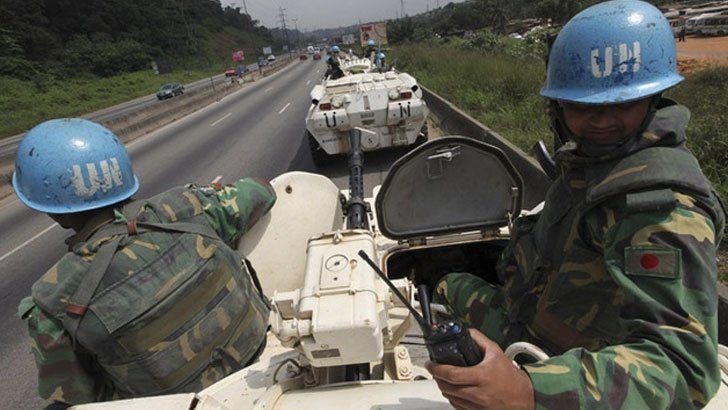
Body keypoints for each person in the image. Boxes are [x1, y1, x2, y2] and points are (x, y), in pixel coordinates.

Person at [427, 1, 726, 409]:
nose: (602, 121)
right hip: (530, 324)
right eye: (584, 106)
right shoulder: (594, 164)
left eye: (622, 104)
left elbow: (682, 367)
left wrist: (529, 391)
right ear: (558, 109)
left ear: (653, 99)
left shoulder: (658, 207)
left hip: (569, 371)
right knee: (445, 281)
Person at [13, 118, 276, 409]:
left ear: (53, 211)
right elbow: (263, 191)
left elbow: (81, 399)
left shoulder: (51, 300)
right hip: (260, 359)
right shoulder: (185, 205)